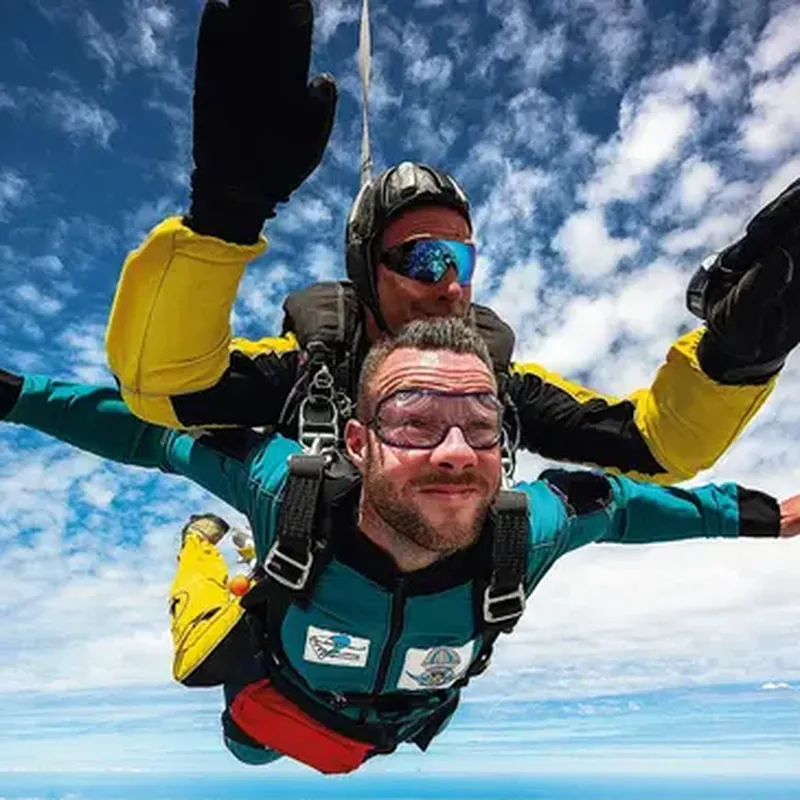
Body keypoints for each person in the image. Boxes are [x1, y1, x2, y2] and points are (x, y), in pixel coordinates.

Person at [2, 318, 798, 774]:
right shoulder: (289, 488)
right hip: (268, 680)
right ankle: (205, 548)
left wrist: (765, 516)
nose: (454, 450)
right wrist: (16, 397)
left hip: (382, 727)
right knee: (235, 723)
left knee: (308, 747)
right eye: (413, 419)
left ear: (505, 448)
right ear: (358, 442)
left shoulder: (526, 532)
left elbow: (623, 504)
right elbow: (152, 435)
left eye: (480, 424)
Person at [104, 0, 800, 485]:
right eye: (422, 258)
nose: (450, 284)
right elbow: (160, 388)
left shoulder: (493, 386)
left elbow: (654, 445)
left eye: (461, 258)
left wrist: (735, 360)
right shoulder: (308, 370)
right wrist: (224, 218)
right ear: (364, 271)